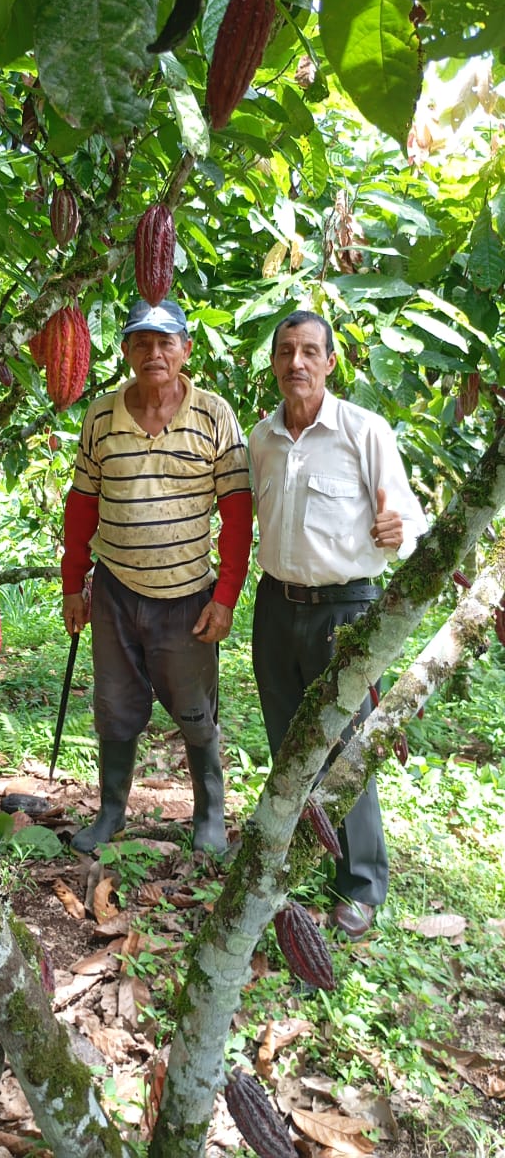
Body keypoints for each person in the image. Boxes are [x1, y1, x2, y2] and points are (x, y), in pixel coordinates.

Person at [250, 310, 427, 939]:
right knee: (288, 743)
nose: (296, 362)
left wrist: (399, 530)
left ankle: (360, 884)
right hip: (275, 607)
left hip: (345, 610)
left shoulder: (363, 430)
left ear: (329, 362)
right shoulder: (262, 438)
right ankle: (296, 856)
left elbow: (410, 517)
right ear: (274, 363)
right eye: (285, 351)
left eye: (309, 351)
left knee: (347, 747)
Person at [61, 298, 253, 855]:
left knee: (195, 711)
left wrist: (226, 596)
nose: (154, 353)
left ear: (186, 349)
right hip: (115, 592)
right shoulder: (101, 417)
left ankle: (209, 815)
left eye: (166, 342)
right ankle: (111, 813)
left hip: (188, 597)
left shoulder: (214, 415)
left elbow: (237, 513)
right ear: (125, 350)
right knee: (115, 706)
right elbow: (82, 505)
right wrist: (73, 585)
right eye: (142, 342)